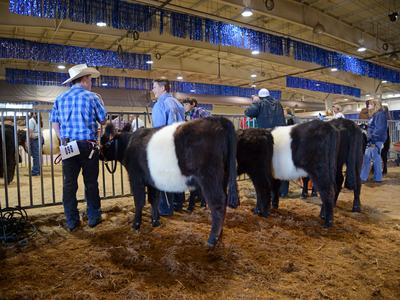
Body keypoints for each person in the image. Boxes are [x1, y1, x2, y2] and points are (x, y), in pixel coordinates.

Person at [50, 64, 107, 231]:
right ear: (84, 80)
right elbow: (103, 120)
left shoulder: (60, 99)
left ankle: (72, 220)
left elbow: (54, 123)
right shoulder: (93, 97)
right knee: (90, 182)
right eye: (90, 79)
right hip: (87, 145)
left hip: (69, 145)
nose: (91, 83)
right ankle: (93, 217)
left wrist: (64, 140)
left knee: (69, 183)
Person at [151, 79, 185, 216]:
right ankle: (178, 203)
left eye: (154, 87)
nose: (153, 90)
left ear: (163, 88)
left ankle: (165, 208)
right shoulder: (178, 103)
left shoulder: (160, 104)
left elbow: (158, 130)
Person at [360, 100, 388, 183]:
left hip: (375, 140)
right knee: (372, 158)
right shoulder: (375, 115)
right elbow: (373, 127)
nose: (368, 106)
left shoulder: (380, 114)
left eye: (370, 104)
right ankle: (376, 178)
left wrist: (373, 140)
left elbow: (379, 129)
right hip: (373, 140)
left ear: (375, 105)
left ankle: (365, 178)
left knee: (370, 158)